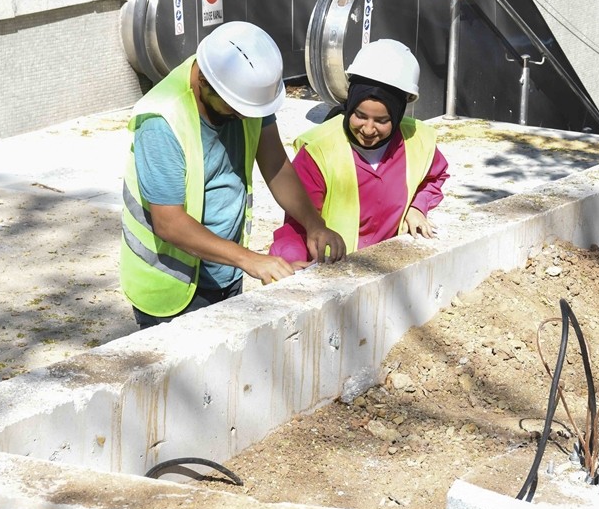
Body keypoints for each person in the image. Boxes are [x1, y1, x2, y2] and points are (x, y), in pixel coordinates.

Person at [121, 22, 346, 328]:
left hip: (226, 271)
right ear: (202, 80)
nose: (244, 116)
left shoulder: (246, 94)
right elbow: (169, 222)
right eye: (235, 108)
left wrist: (313, 224)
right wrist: (249, 259)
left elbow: (275, 164)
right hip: (169, 288)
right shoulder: (162, 120)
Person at [270, 39, 449, 263]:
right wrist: (290, 260)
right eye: (360, 115)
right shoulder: (318, 152)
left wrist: (418, 207)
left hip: (384, 270)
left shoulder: (418, 140)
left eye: (382, 120)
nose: (368, 129)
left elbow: (434, 177)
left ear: (398, 112)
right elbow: (297, 224)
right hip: (335, 275)